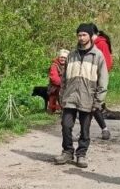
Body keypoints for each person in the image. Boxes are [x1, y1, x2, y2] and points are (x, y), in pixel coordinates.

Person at [56, 24, 109, 169]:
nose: (81, 37)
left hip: (88, 98)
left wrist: (98, 101)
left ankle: (81, 154)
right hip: (70, 97)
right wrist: (62, 95)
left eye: (84, 35)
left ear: (90, 36)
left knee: (85, 129)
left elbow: (103, 81)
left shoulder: (98, 56)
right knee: (66, 126)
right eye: (79, 35)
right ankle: (67, 151)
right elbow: (65, 78)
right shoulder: (71, 55)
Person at [89, 24, 114, 140]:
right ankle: (104, 130)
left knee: (94, 106)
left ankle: (104, 130)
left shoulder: (101, 44)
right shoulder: (90, 45)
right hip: (89, 79)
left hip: (98, 80)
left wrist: (101, 79)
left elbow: (107, 63)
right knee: (91, 106)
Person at [45, 49, 70, 113]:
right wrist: (64, 85)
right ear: (59, 57)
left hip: (66, 86)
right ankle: (58, 108)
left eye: (65, 57)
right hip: (55, 88)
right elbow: (54, 78)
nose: (63, 59)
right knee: (52, 108)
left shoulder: (69, 65)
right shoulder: (54, 65)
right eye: (61, 57)